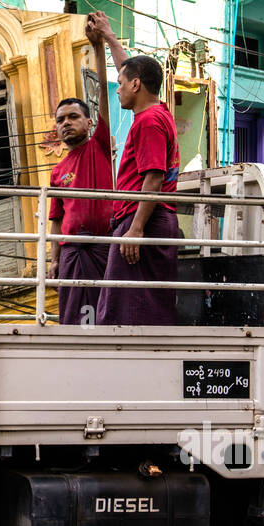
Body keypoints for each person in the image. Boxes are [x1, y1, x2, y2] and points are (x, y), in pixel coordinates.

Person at [47, 12, 129, 325]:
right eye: (60, 120)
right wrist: (53, 261)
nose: (66, 123)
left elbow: (102, 99)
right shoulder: (58, 171)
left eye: (72, 117)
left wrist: (97, 47)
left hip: (103, 246)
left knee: (106, 315)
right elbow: (56, 220)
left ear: (89, 121)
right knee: (71, 319)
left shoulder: (99, 146)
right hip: (70, 253)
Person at [96, 51, 181, 326]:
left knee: (125, 310)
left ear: (136, 85)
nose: (117, 89)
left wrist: (136, 228)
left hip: (142, 218)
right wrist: (108, 38)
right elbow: (137, 66)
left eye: (121, 83)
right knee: (142, 304)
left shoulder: (149, 121)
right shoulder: (159, 113)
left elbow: (154, 178)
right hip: (146, 218)